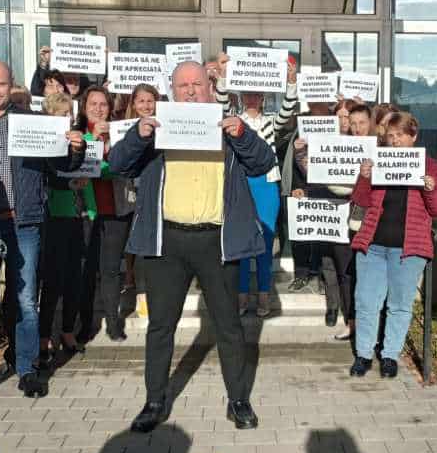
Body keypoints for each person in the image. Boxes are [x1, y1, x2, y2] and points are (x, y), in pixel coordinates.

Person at [108, 61, 275, 433]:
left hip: (216, 241)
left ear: (208, 85)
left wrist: (242, 134)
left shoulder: (227, 126)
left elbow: (263, 162)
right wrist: (140, 133)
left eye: (196, 84)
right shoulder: (157, 127)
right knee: (161, 326)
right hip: (168, 241)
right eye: (182, 85)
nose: (190, 91)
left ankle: (238, 400)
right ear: (172, 89)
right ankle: (154, 401)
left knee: (229, 326)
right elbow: (118, 164)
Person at [0, 59, 86, 400]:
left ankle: (28, 369)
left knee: (26, 299)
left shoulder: (34, 122)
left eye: (1, 83)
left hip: (24, 221)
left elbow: (61, 166)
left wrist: (74, 149)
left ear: (10, 83)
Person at [349, 112, 437, 378]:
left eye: (400, 136)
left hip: (409, 248)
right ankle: (363, 354)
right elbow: (360, 200)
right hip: (373, 245)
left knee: (400, 304)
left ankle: (390, 356)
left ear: (413, 136)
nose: (394, 141)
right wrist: (364, 176)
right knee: (366, 302)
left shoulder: (429, 166)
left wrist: (430, 188)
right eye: (390, 136)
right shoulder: (378, 161)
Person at [215, 52, 298, 317]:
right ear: (241, 97)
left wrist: (291, 82)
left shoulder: (271, 122)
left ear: (263, 98)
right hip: (240, 184)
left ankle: (263, 295)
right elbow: (221, 102)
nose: (252, 98)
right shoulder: (233, 119)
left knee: (264, 241)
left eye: (256, 94)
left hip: (267, 186)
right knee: (241, 241)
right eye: (247, 94)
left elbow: (288, 109)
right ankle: (241, 297)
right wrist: (224, 76)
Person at [291, 101, 361, 336]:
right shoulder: (320, 142)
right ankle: (332, 308)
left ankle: (349, 314)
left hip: (348, 211)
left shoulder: (360, 145)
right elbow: (309, 173)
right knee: (327, 264)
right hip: (323, 210)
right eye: (339, 117)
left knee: (345, 268)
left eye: (347, 117)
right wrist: (301, 152)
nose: (343, 122)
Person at [38, 92, 96, 366]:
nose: (65, 120)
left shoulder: (78, 140)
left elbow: (92, 166)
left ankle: (68, 331)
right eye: (59, 115)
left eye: (68, 115)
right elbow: (48, 177)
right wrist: (70, 183)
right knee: (53, 280)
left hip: (79, 215)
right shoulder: (44, 142)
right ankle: (43, 336)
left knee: (76, 276)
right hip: (55, 216)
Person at [77, 85, 136, 342]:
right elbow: (88, 168)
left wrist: (109, 159)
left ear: (110, 109)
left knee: (111, 270)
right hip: (86, 212)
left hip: (116, 210)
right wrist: (94, 141)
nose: (98, 109)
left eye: (103, 105)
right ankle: (87, 323)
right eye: (93, 104)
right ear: (84, 107)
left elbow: (125, 168)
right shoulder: (79, 137)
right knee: (88, 271)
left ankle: (113, 323)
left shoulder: (120, 135)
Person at [121, 84, 160, 317]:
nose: (145, 106)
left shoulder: (163, 128)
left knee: (149, 251)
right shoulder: (125, 128)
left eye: (150, 101)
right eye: (141, 101)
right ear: (133, 104)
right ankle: (134, 286)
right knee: (132, 246)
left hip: (150, 197)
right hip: (126, 196)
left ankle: (148, 300)